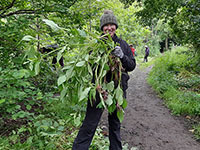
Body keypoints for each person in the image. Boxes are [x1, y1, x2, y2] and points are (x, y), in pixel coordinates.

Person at [72, 10, 136, 150]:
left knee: (115, 125)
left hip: (118, 89)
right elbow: (88, 64)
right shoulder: (95, 44)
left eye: (111, 24)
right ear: (102, 28)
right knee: (90, 124)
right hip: (99, 89)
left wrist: (122, 56)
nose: (109, 28)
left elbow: (131, 66)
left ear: (115, 26)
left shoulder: (123, 44)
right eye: (106, 25)